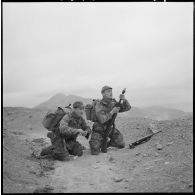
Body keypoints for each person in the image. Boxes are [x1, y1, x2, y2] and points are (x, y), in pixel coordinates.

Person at [89, 86, 131, 155]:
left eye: (111, 91)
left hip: (110, 128)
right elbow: (102, 120)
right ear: (103, 94)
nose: (111, 93)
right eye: (108, 91)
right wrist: (112, 112)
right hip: (99, 129)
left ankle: (106, 143)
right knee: (95, 151)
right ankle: (98, 141)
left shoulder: (113, 103)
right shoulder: (99, 104)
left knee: (121, 144)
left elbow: (127, 108)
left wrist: (124, 100)